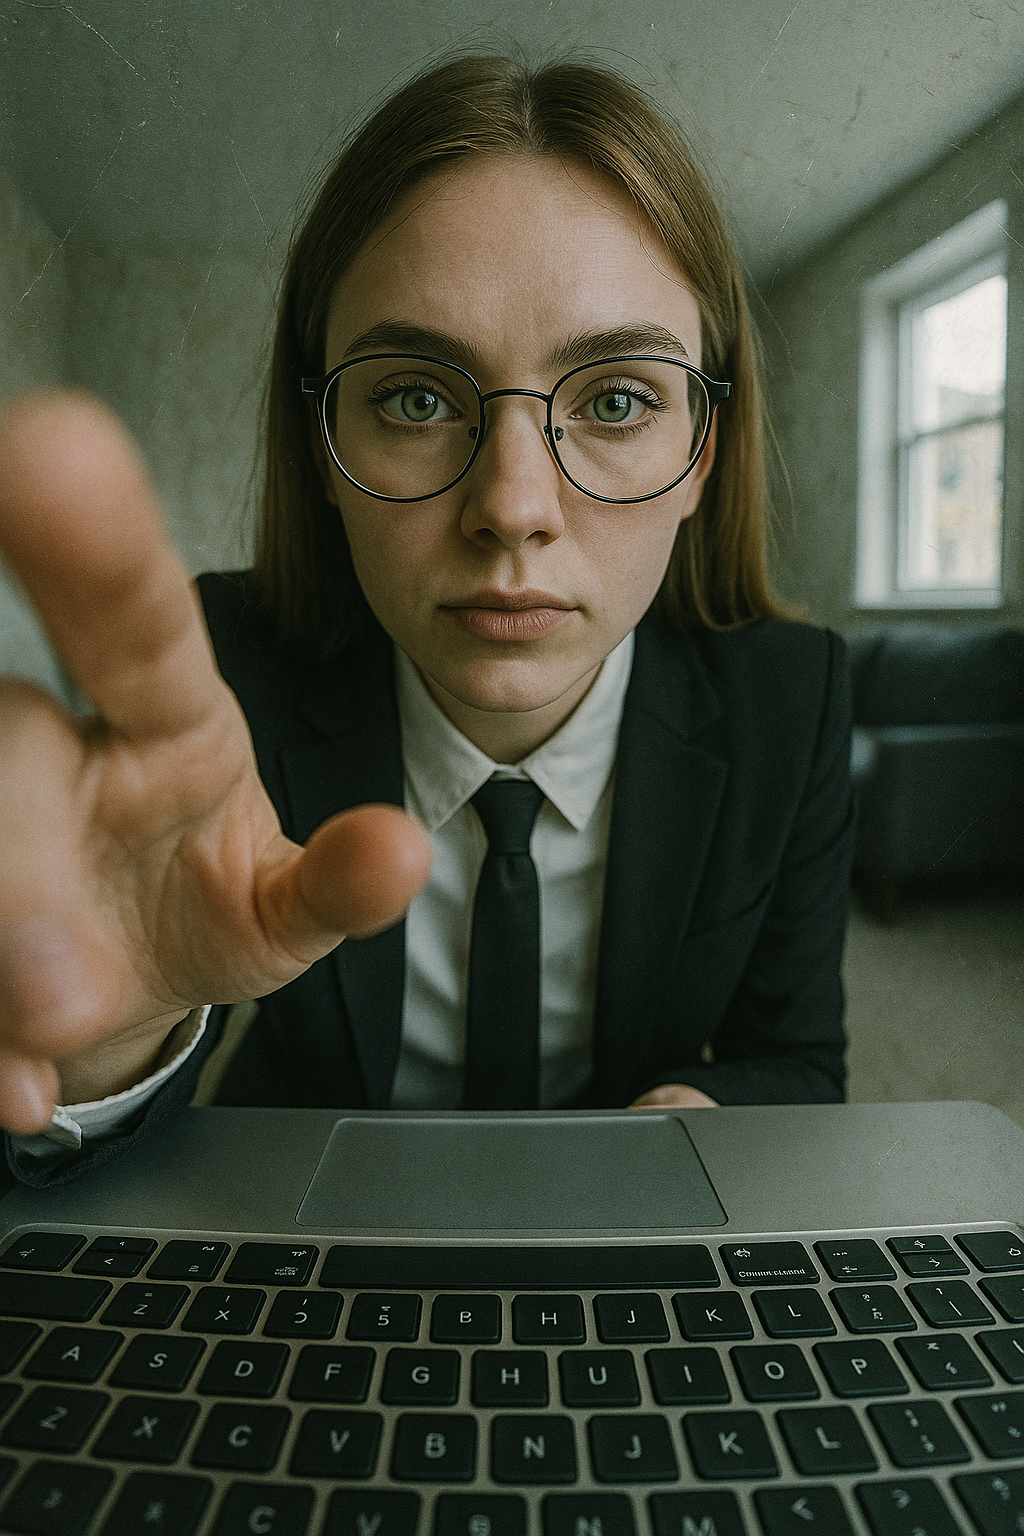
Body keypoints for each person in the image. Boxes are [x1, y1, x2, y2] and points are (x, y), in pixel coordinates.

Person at [0, 55, 854, 1186]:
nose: (511, 509)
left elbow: (800, 1060)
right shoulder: (214, 684)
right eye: (414, 398)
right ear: (323, 446)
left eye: (614, 400)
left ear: (701, 451)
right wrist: (118, 1049)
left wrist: (697, 1111)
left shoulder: (791, 699)